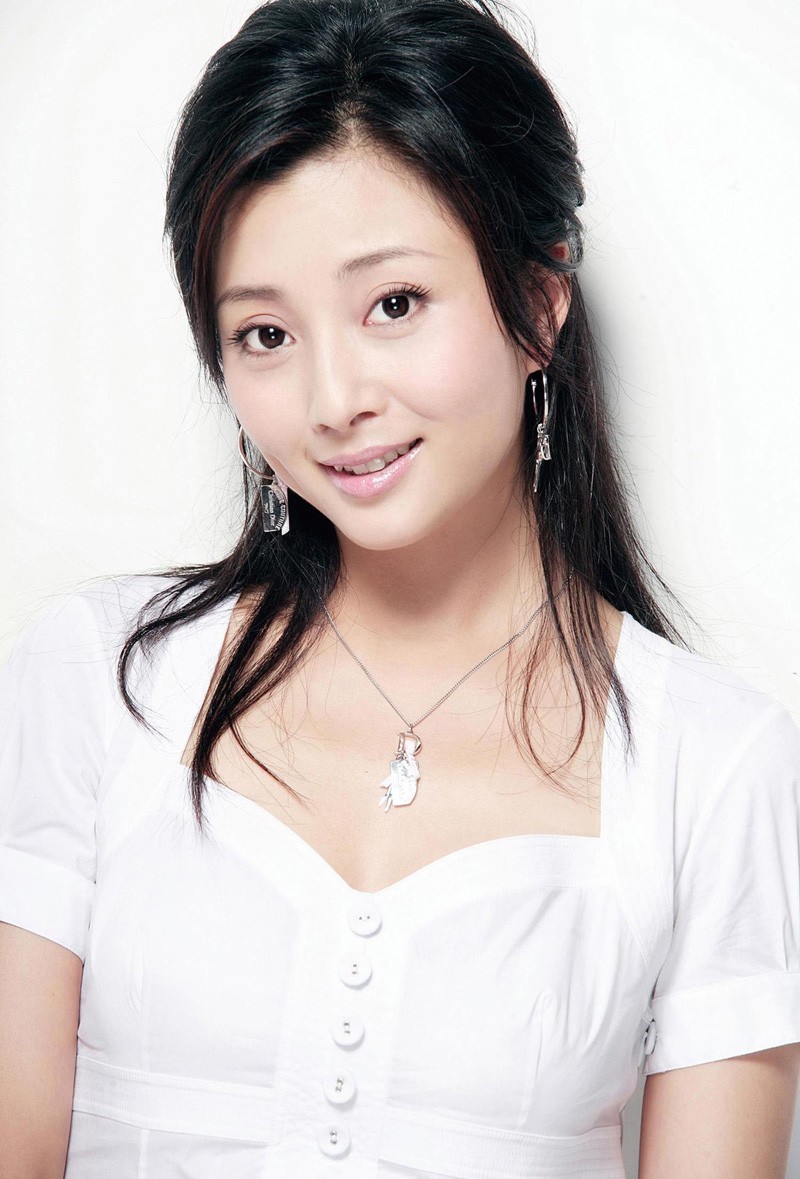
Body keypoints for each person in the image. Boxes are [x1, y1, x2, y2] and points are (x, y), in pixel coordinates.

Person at [1, 0, 799, 1174]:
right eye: (264, 334)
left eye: (393, 305)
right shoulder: (99, 679)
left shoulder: (710, 769)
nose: (333, 400)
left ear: (537, 303)